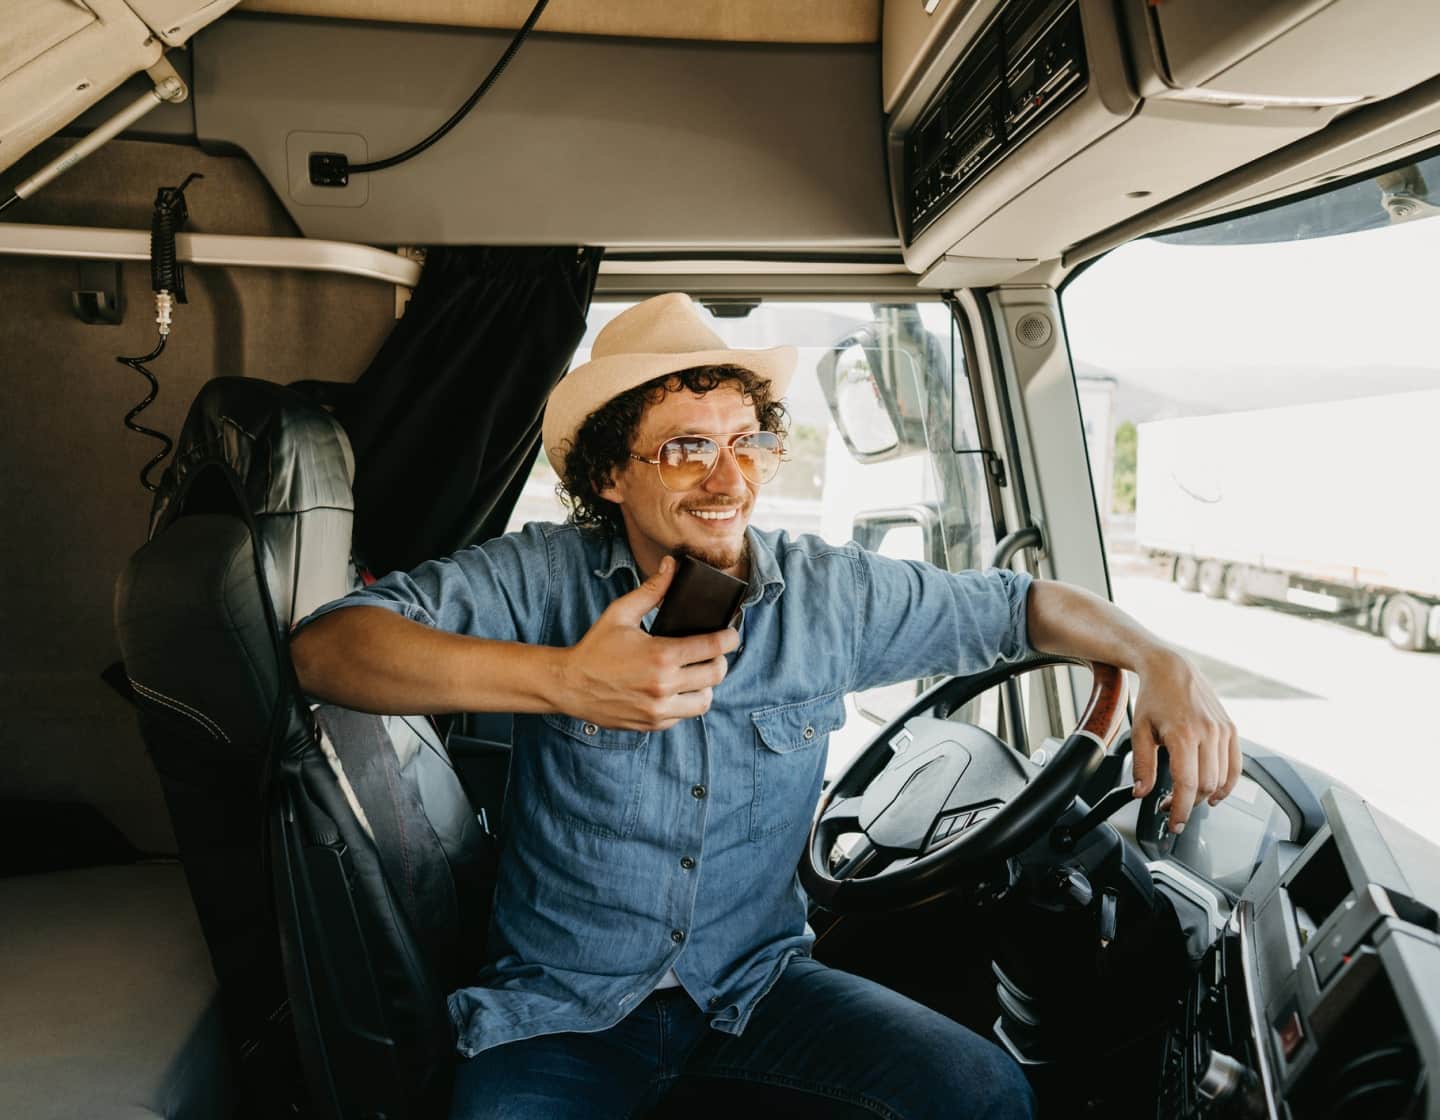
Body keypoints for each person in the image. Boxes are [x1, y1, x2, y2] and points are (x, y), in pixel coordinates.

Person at [291, 292, 1238, 1119]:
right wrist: (563, 680)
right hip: (558, 1015)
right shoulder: (541, 577)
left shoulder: (831, 597)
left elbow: (1020, 607)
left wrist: (1161, 660)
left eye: (748, 442)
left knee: (985, 1093)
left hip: (759, 993)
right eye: (687, 447)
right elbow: (328, 647)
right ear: (611, 475)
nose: (729, 478)